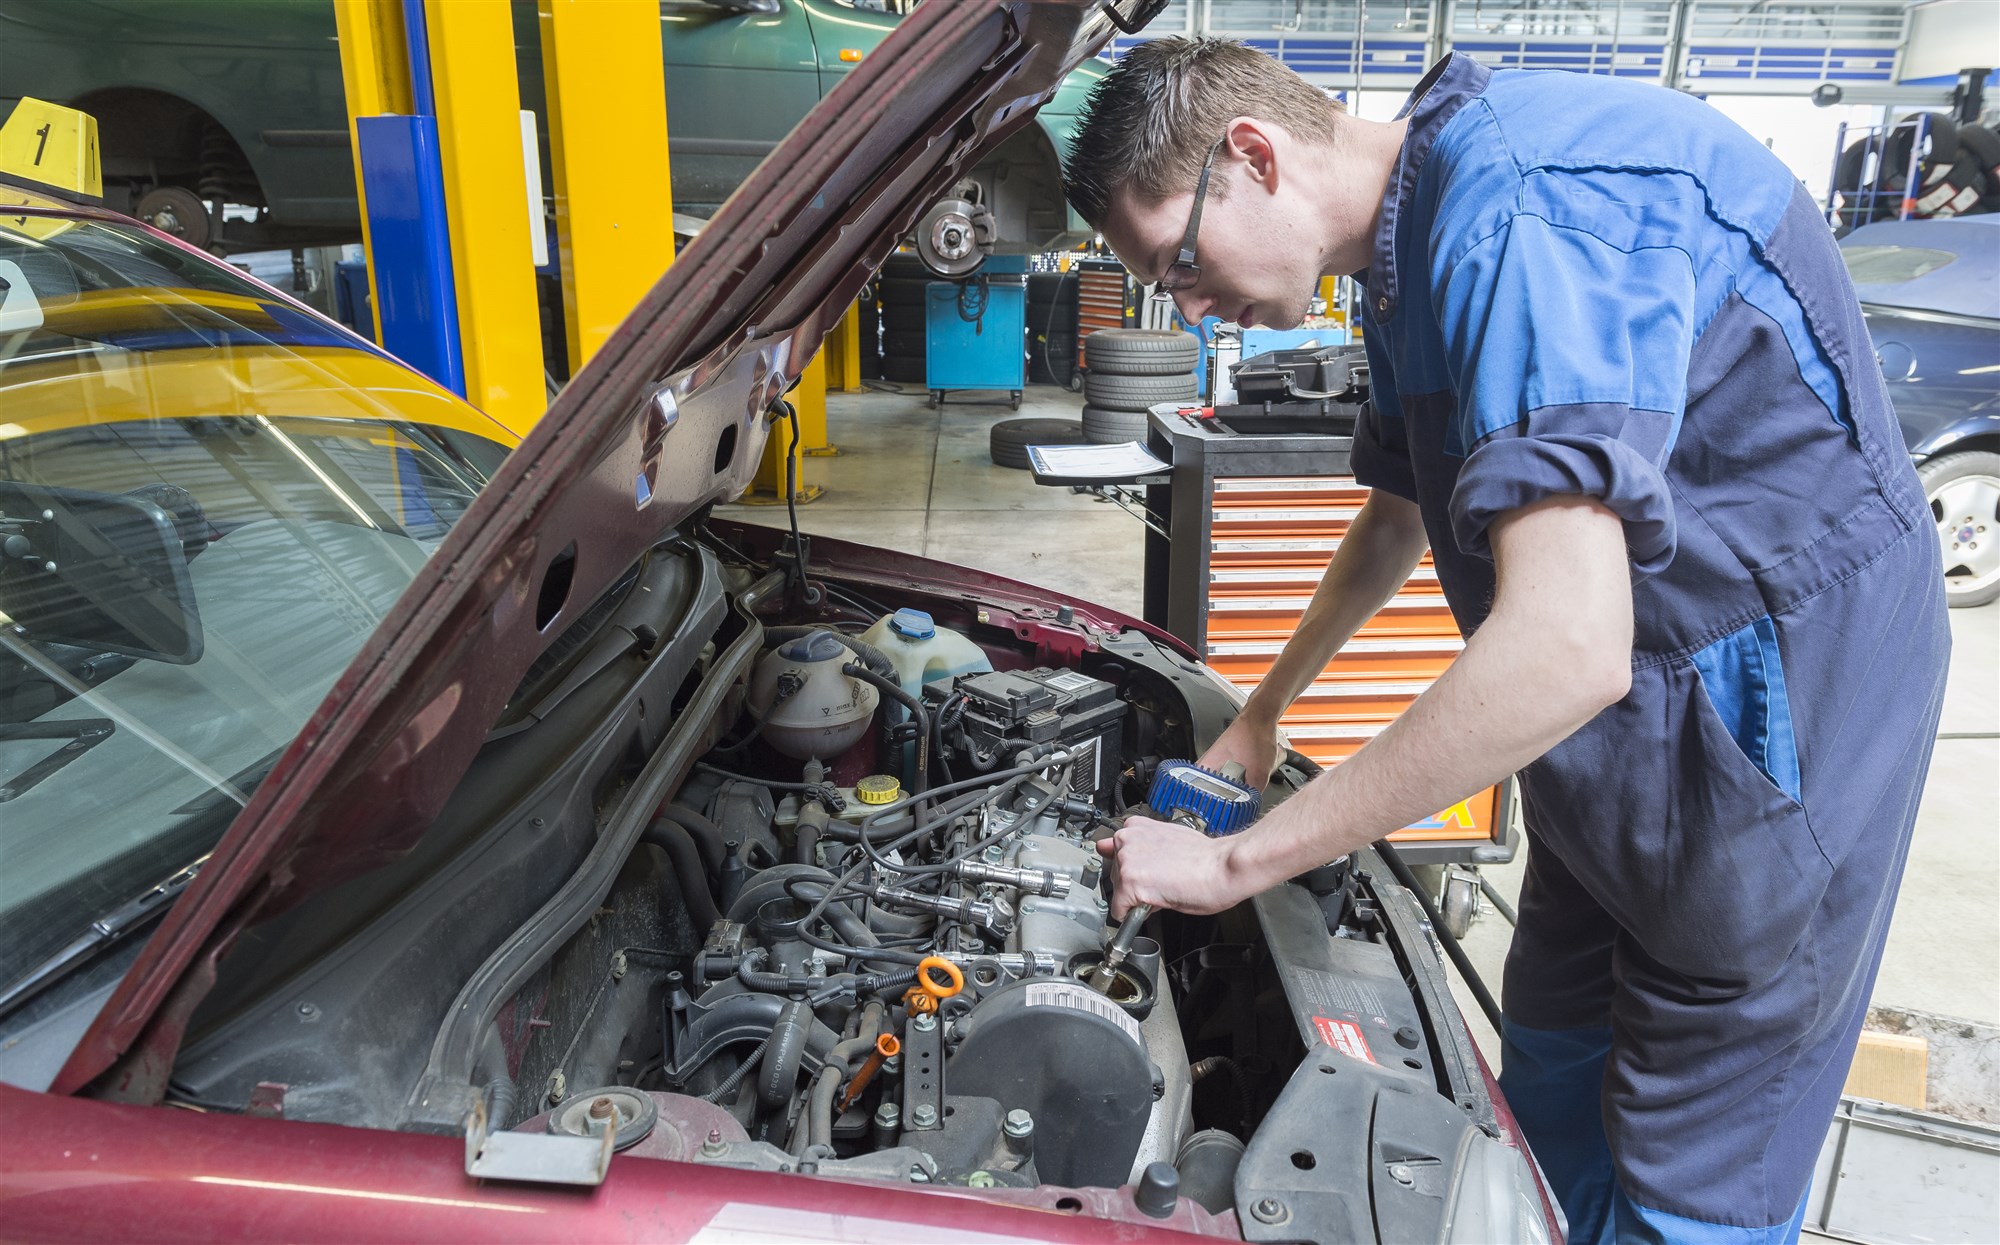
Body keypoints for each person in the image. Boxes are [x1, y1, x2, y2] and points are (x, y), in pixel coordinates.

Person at [1064, 37, 1951, 1245]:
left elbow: (1564, 649)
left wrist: (1233, 868)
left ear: (1254, 156)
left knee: (1692, 1167)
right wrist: (1264, 709)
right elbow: (1400, 510)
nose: (1182, 306)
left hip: (1770, 704)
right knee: (1550, 1060)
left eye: (1177, 262)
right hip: (1622, 711)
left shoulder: (1518, 219)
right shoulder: (1408, 235)